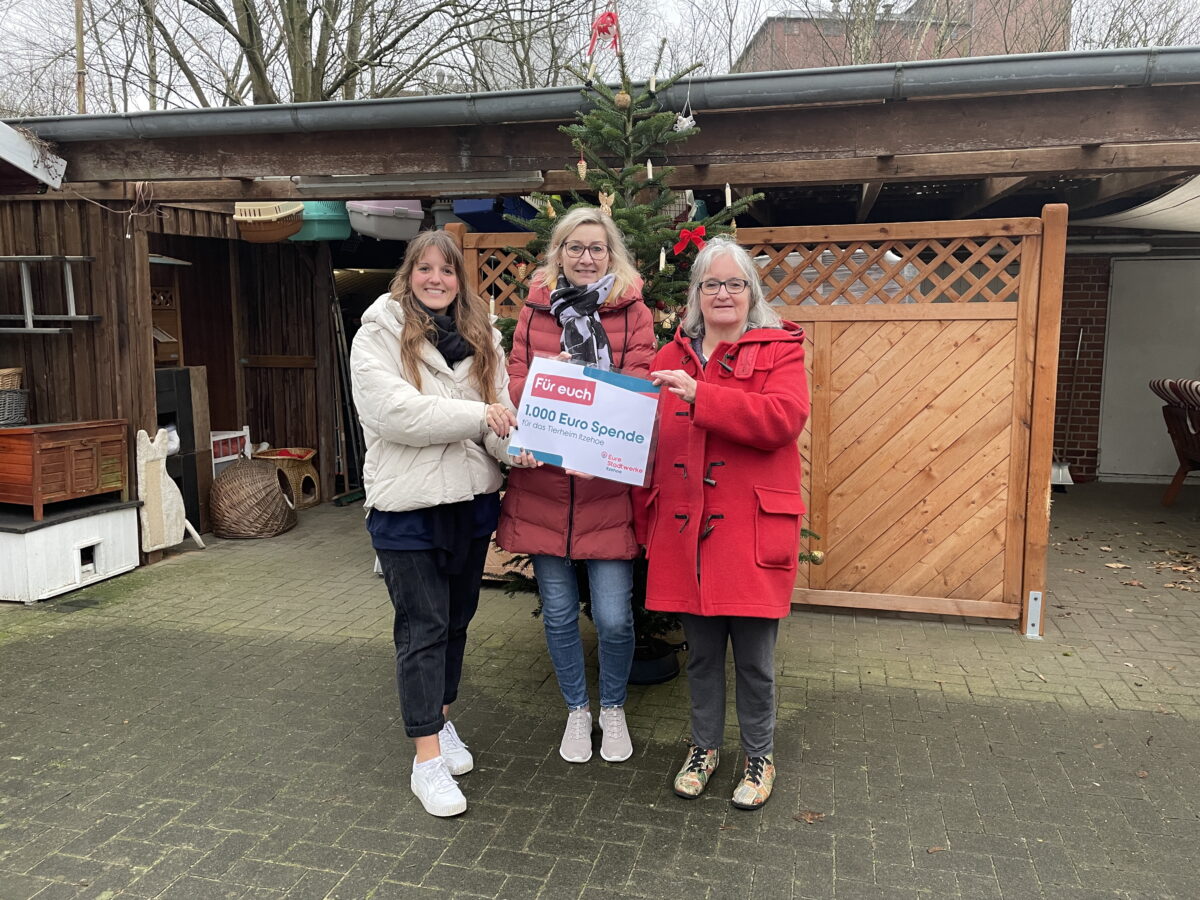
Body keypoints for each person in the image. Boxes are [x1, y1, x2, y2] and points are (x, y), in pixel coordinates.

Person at [350, 230, 522, 817]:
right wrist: (482, 416)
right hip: (408, 508)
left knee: (455, 624)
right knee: (422, 629)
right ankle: (425, 761)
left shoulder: (482, 335)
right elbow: (395, 413)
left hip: (469, 504)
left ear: (458, 280)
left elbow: (499, 416)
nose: (436, 279)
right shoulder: (378, 333)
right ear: (409, 273)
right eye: (425, 268)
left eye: (446, 271)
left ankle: (441, 720)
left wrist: (519, 449)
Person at [639, 237, 810, 810]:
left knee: (755, 662)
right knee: (703, 656)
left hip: (751, 532)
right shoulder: (667, 357)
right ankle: (704, 749)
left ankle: (759, 755)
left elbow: (783, 419)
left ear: (751, 293)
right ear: (695, 294)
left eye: (734, 283)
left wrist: (702, 395)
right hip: (687, 533)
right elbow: (642, 438)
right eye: (711, 284)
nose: (723, 294)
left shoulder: (780, 350)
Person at [497, 206, 656, 764]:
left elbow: (640, 388)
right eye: (575, 247)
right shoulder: (536, 308)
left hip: (604, 487)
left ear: (611, 255)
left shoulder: (634, 312)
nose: (586, 258)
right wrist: (553, 378)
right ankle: (576, 710)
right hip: (544, 486)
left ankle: (612, 708)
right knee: (560, 615)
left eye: (596, 248)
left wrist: (593, 393)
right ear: (559, 253)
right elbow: (516, 380)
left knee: (614, 617)